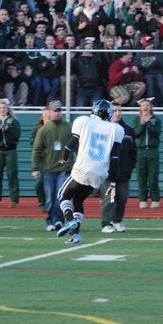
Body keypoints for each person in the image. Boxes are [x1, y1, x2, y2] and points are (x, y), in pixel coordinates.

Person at [56, 100, 124, 244]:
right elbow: (115, 158)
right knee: (78, 200)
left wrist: (64, 159)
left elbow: (69, 146)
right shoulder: (116, 128)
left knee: (62, 195)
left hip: (83, 169)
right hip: (99, 175)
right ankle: (75, 235)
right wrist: (112, 181)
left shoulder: (83, 121)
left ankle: (70, 220)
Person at [32, 100, 72, 232]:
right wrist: (35, 168)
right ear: (49, 112)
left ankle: (58, 220)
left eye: (59, 110)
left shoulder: (69, 127)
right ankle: (50, 220)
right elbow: (37, 150)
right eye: (55, 110)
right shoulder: (43, 130)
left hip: (64, 168)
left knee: (59, 195)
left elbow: (77, 146)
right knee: (49, 197)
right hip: (48, 169)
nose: (57, 113)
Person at [100, 102, 136, 233]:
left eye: (119, 110)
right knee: (108, 198)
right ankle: (106, 223)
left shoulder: (128, 130)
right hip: (107, 172)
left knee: (122, 198)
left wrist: (130, 166)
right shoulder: (103, 130)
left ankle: (117, 220)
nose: (118, 113)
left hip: (124, 172)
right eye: (115, 110)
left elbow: (133, 151)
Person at [0, 99, 21, 209]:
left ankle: (14, 199)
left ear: (7, 109)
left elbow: (17, 136)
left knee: (12, 175)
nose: (2, 110)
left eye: (4, 108)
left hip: (11, 151)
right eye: (0, 108)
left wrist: (8, 132)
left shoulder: (13, 121)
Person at [132, 98, 161, 209]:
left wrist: (148, 122)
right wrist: (142, 124)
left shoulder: (156, 119)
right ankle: (143, 200)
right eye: (143, 105)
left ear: (151, 107)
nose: (145, 107)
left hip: (153, 151)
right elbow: (136, 134)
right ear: (140, 107)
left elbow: (156, 133)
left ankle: (155, 199)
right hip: (140, 151)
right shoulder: (136, 120)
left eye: (147, 105)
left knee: (153, 177)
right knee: (141, 177)